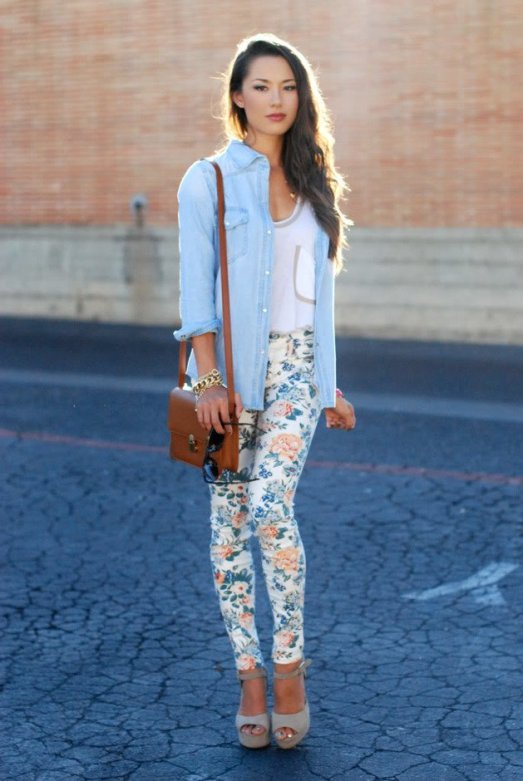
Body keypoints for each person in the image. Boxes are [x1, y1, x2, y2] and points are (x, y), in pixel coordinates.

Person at [174, 33, 356, 750]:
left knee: (271, 501)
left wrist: (327, 383)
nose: (276, 99)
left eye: (288, 86)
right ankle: (248, 676)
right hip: (229, 376)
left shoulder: (315, 183)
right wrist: (211, 378)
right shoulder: (208, 180)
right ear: (237, 97)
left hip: (294, 369)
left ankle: (288, 670)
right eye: (262, 86)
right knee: (227, 533)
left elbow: (315, 302)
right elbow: (196, 295)